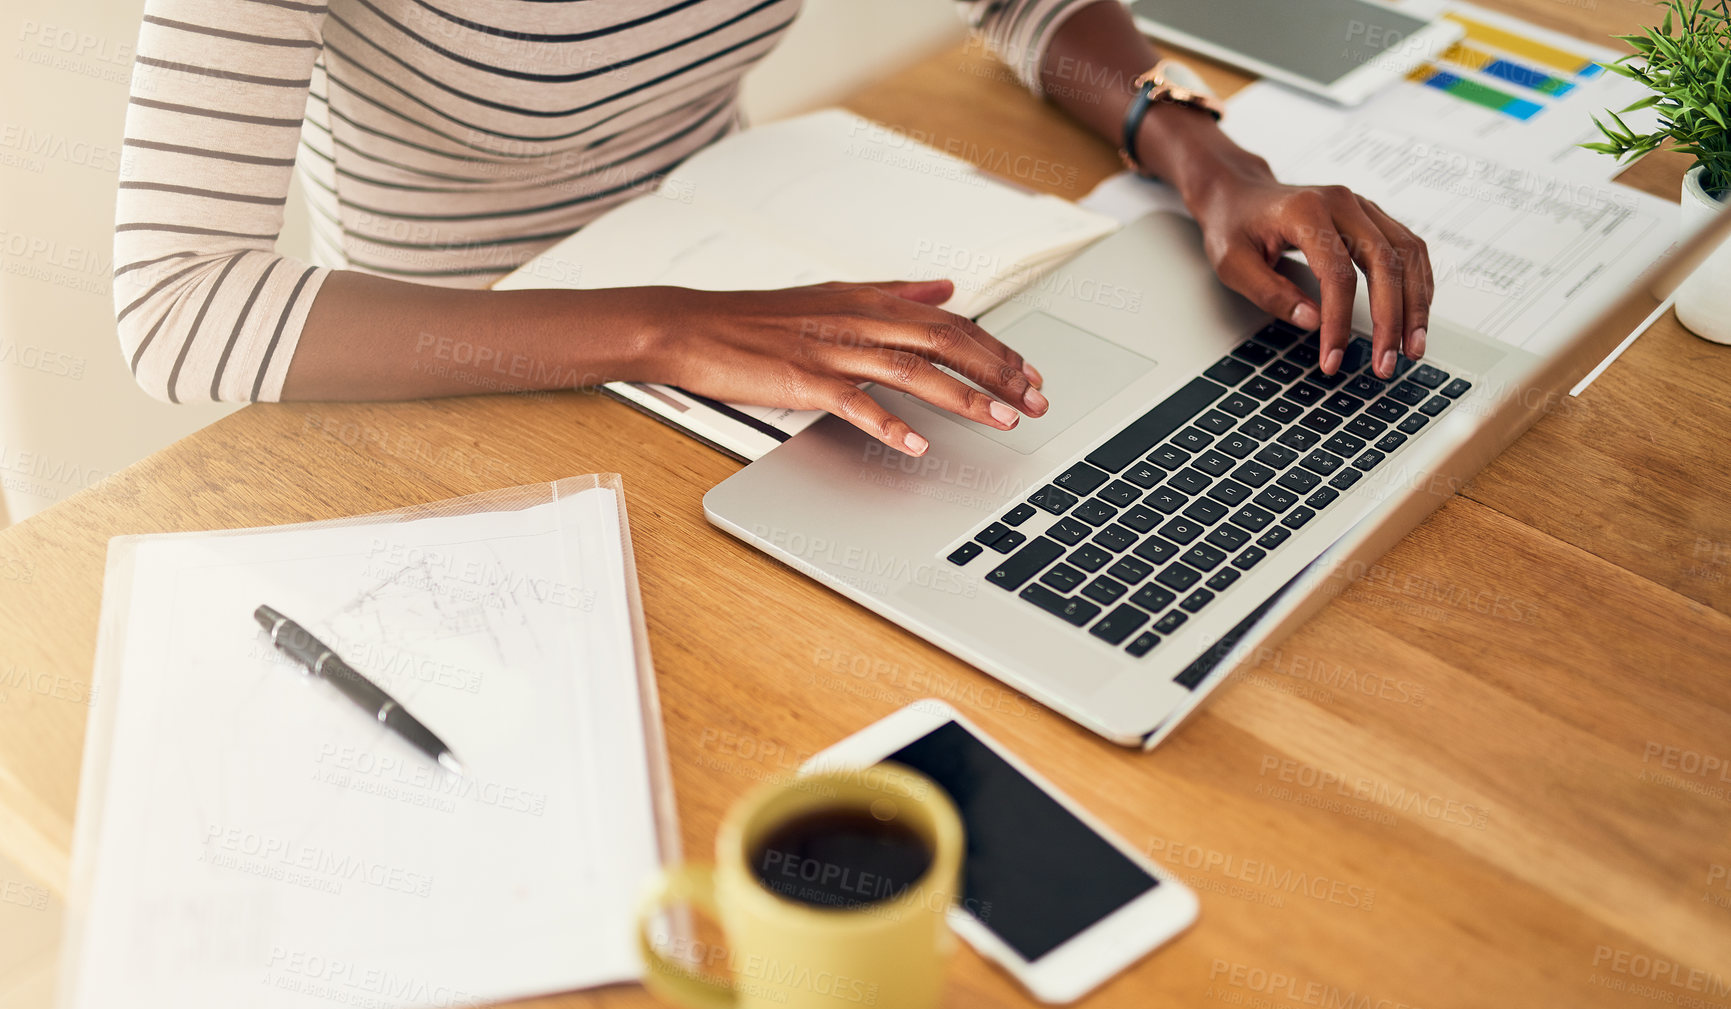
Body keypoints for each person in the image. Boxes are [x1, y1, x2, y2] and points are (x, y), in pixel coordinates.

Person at [114, 0, 1431, 457]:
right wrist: (665, 332)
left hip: (743, 293)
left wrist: (1199, 152)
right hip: (449, 379)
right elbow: (175, 306)